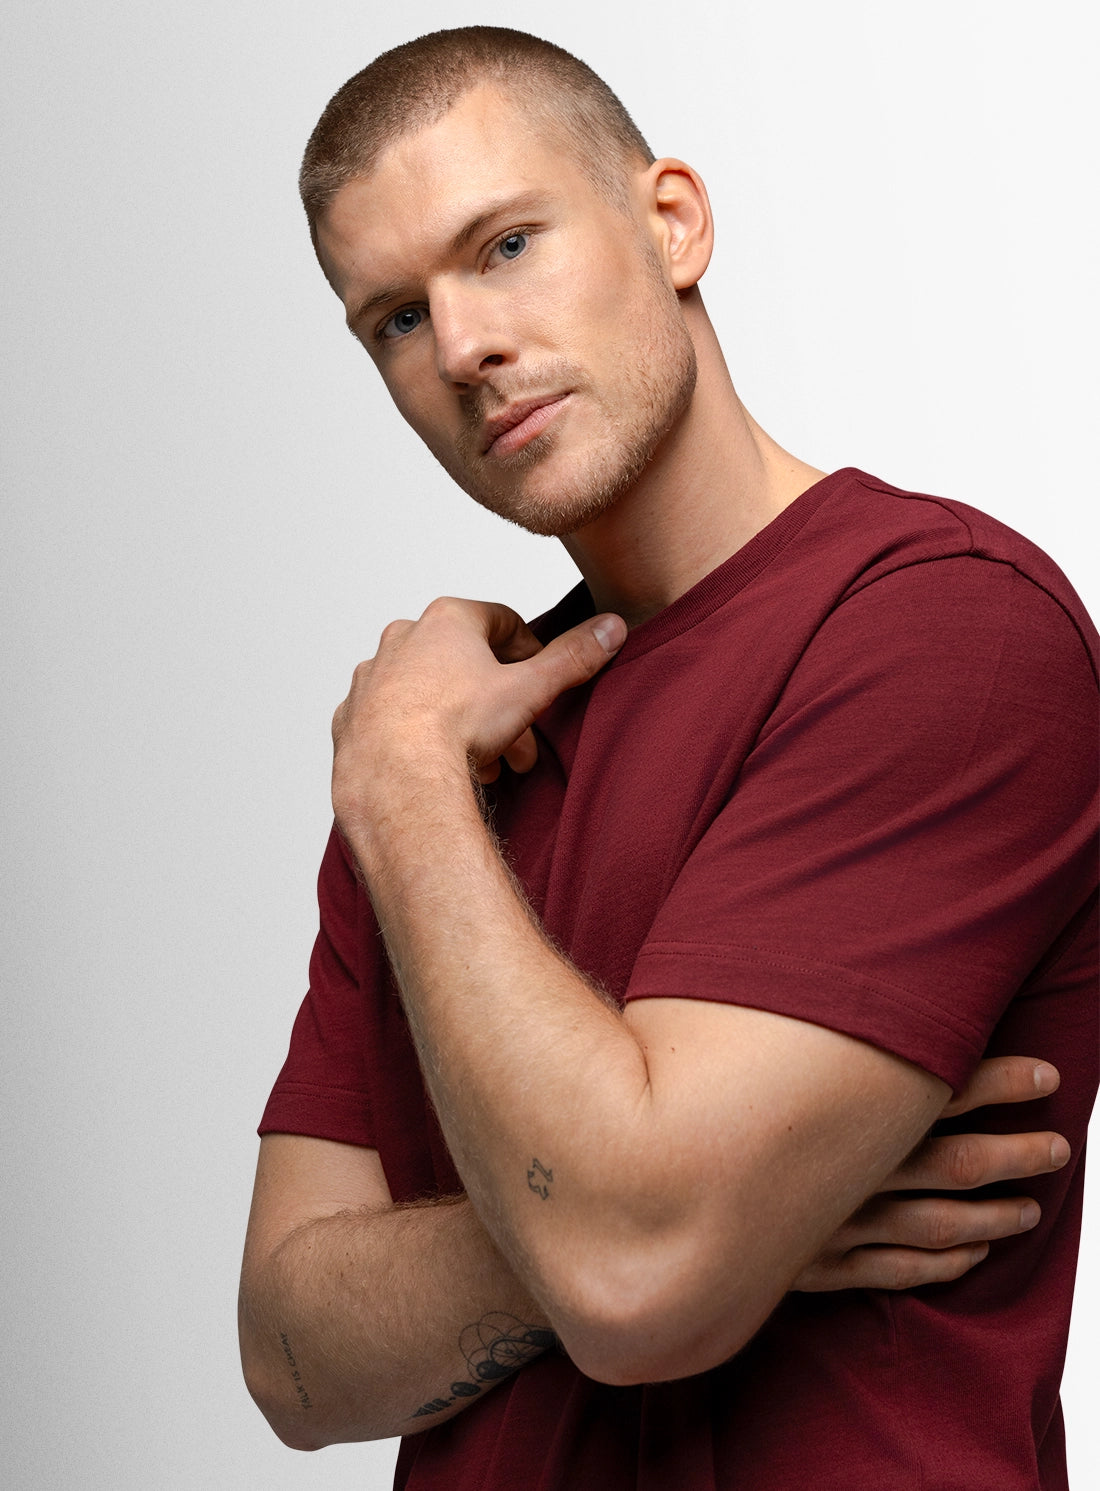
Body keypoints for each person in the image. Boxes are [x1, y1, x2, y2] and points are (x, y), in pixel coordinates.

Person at [238, 27, 1098, 1489]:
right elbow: (292, 1358)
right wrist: (604, 1237)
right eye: (393, 316)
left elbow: (638, 1276)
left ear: (674, 221)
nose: (461, 347)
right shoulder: (439, 754)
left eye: (504, 245)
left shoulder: (941, 627)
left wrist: (647, 1237)